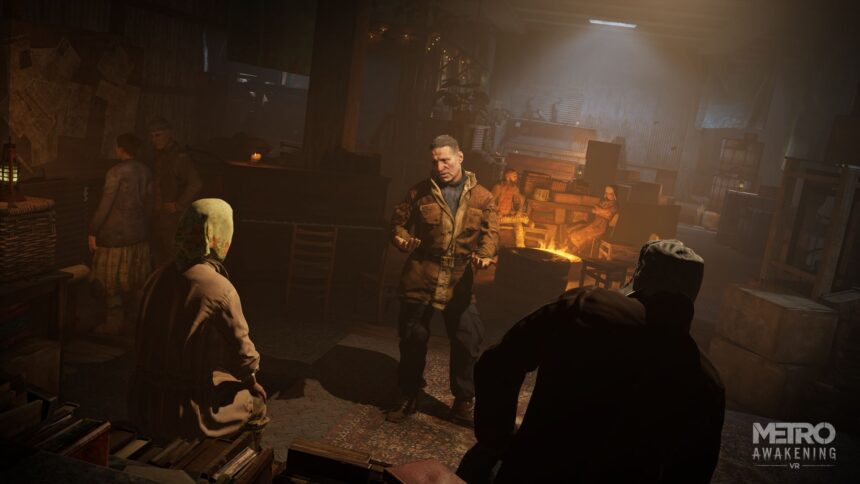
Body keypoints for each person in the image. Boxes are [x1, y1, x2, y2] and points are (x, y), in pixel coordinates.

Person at [457, 239, 725, 483]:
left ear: (640, 277)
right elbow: (694, 471)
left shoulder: (586, 306)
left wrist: (497, 439)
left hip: (536, 470)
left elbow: (498, 364)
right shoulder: (707, 379)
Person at [129, 199, 268, 447]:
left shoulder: (158, 275)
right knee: (255, 402)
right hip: (187, 411)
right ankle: (247, 466)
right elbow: (244, 356)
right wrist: (253, 385)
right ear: (220, 234)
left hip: (142, 402)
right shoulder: (219, 287)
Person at [386, 134, 499, 425]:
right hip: (421, 274)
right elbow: (397, 223)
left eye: (445, 160)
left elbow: (490, 234)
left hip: (459, 279)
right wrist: (402, 238)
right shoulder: (419, 193)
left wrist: (485, 254)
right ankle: (408, 394)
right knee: (413, 338)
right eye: (435, 161)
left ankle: (463, 400)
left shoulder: (483, 197)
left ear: (460, 157)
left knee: (467, 339)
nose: (440, 167)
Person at [88, 133, 154, 336]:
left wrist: (93, 230)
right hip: (138, 233)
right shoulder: (145, 170)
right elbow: (149, 203)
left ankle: (114, 324)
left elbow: (105, 205)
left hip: (114, 237)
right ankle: (138, 322)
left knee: (111, 282)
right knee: (135, 279)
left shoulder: (116, 172)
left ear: (120, 149)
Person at [148, 117, 202, 266]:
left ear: (169, 134)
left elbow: (196, 183)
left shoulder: (180, 157)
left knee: (173, 259)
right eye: (152, 136)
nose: (154, 139)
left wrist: (178, 205)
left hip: (173, 219)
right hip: (159, 217)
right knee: (159, 257)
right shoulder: (160, 156)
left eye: (158, 135)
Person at [566, 185, 619, 255]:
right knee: (575, 230)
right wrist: (601, 211)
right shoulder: (603, 202)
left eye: (610, 194)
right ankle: (569, 248)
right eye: (607, 193)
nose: (608, 195)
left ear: (614, 194)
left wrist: (599, 211)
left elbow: (607, 214)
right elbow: (596, 207)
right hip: (594, 224)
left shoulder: (615, 205)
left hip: (601, 228)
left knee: (584, 235)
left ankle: (574, 251)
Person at [491, 169, 529, 247]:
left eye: (516, 177)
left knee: (518, 226)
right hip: (497, 216)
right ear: (508, 177)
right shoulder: (498, 187)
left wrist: (519, 211)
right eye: (514, 176)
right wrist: (496, 211)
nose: (516, 178)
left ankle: (520, 248)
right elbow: (490, 202)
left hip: (509, 215)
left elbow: (517, 203)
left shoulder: (515, 189)